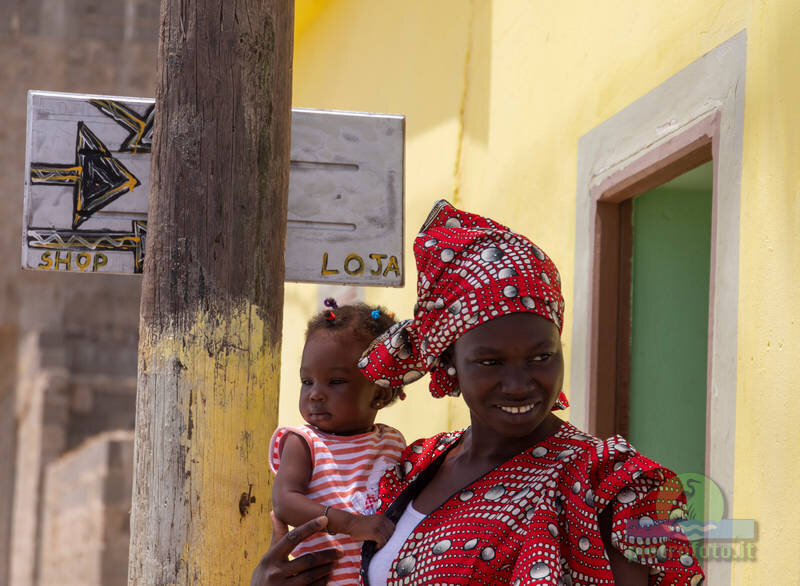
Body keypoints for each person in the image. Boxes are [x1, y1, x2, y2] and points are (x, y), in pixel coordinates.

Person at [254, 200, 704, 586]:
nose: (519, 383)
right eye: (490, 362)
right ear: (450, 362)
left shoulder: (607, 484)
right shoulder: (410, 467)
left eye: (541, 356)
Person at [269, 300, 407, 585]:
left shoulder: (393, 442)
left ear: (379, 394)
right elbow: (285, 502)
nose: (315, 394)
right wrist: (352, 524)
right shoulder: (304, 442)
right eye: (307, 381)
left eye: (335, 382)